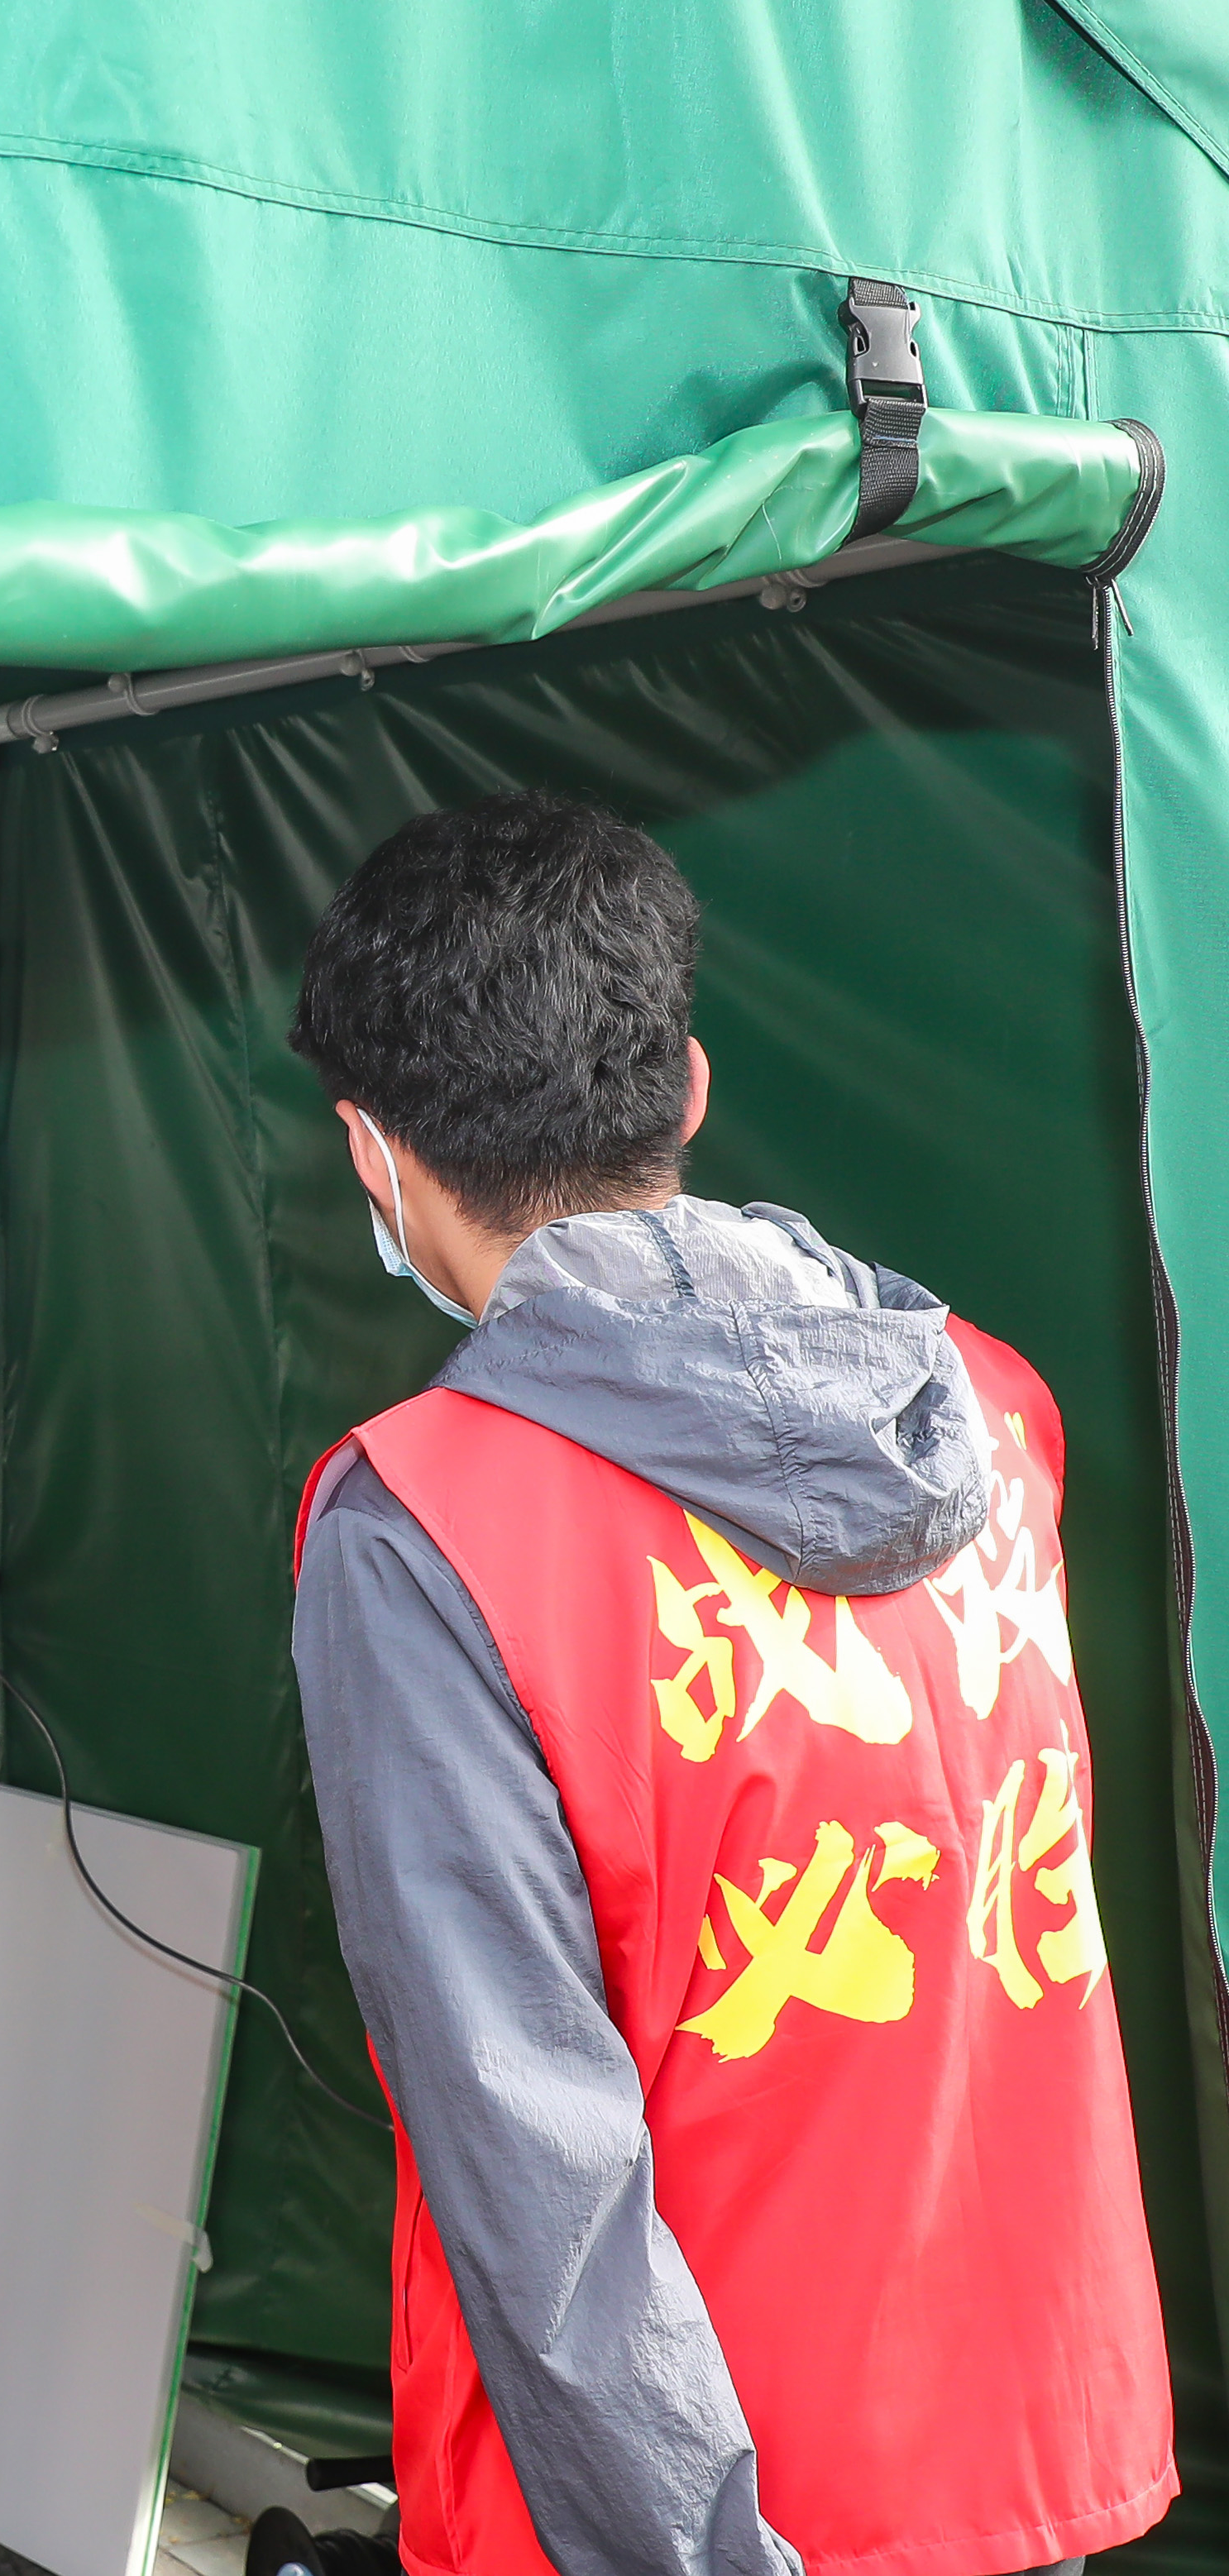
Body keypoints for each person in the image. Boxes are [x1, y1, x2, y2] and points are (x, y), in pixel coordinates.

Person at [286, 793, 1169, 2576]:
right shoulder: (988, 1414)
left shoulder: (425, 1523)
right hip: (1019, 2457)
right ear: (682, 1089)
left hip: (695, 2520)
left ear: (370, 1153)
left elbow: (528, 2156)